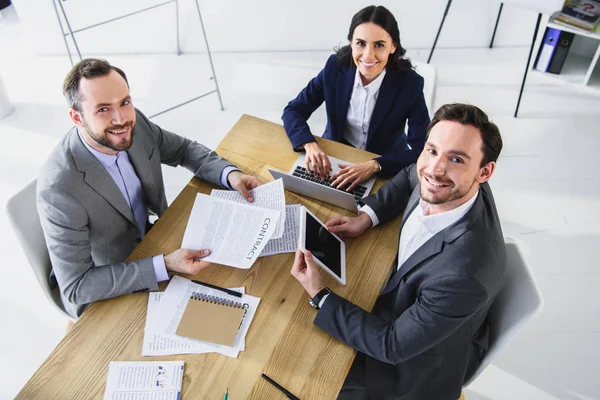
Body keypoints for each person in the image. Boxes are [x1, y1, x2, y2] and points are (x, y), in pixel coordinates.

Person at [290, 103, 506, 399]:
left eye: (456, 159)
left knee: (292, 368)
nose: (435, 169)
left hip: (406, 372)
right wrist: (366, 218)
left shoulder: (463, 274)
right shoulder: (454, 182)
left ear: (485, 171)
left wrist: (320, 296)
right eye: (431, 151)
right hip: (410, 307)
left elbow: (391, 346)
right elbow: (408, 175)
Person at [37, 58, 261, 318]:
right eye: (103, 110)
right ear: (77, 117)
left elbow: (183, 150)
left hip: (156, 242)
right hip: (110, 282)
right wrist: (163, 265)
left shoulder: (135, 124)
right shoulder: (58, 189)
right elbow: (77, 286)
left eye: (125, 102)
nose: (121, 118)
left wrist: (229, 174)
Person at [282, 5, 430, 192]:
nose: (368, 55)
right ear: (351, 43)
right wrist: (309, 144)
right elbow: (294, 110)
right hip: (335, 156)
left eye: (379, 45)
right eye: (360, 43)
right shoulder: (334, 67)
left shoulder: (411, 84)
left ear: (393, 46)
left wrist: (377, 165)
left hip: (383, 164)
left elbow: (423, 149)